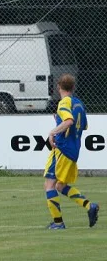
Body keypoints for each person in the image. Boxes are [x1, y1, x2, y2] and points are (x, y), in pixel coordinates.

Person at [43, 74, 99, 229]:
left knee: (49, 184)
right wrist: (59, 120)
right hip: (73, 150)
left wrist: (53, 132)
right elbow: (83, 126)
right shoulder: (79, 103)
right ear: (73, 87)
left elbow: (69, 121)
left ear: (58, 87)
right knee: (60, 186)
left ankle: (58, 223)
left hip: (62, 149)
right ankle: (89, 206)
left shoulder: (64, 103)